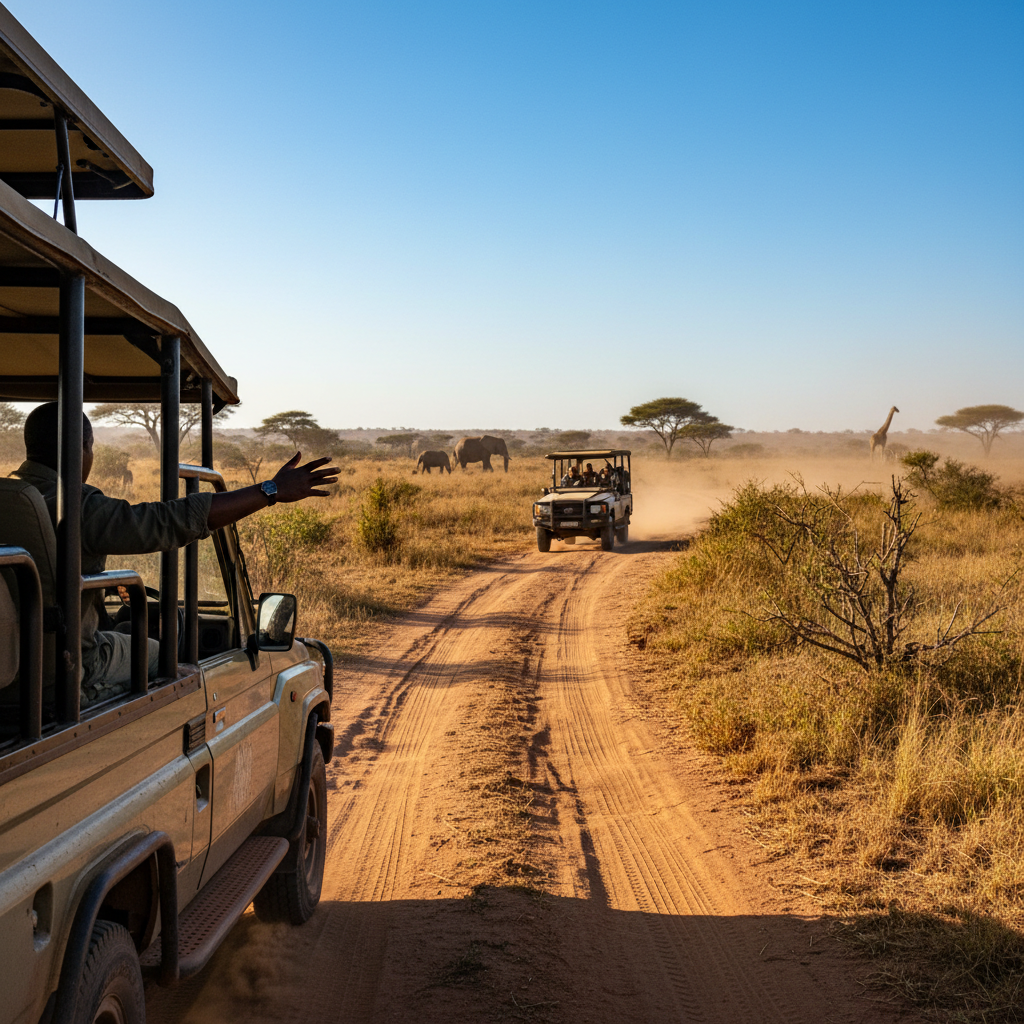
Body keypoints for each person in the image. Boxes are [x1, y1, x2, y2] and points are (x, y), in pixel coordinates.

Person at [12, 402, 339, 705]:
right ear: (83, 448)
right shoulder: (72, 506)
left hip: (12, 660)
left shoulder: (11, 497)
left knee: (123, 632)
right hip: (66, 664)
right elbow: (163, 522)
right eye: (91, 447)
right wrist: (271, 490)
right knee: (161, 656)